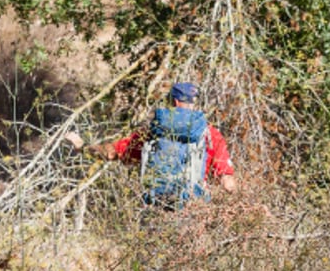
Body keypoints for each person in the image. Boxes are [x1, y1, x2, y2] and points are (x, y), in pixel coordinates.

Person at [67, 81, 236, 204]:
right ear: (194, 103)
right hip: (193, 209)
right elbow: (227, 182)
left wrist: (83, 147)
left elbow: (111, 153)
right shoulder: (211, 135)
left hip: (158, 206)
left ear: (174, 102)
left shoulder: (152, 133)